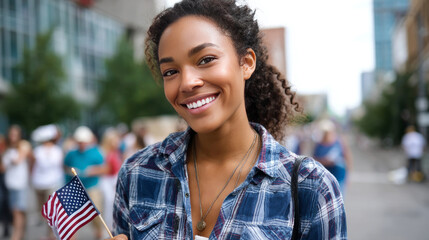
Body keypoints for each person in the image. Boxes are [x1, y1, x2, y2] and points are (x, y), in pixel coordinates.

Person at [110, 1, 346, 239]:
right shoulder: (137, 173)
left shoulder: (311, 187)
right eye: (171, 72)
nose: (187, 83)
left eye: (205, 59)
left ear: (246, 63)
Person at [63, 126, 104, 240]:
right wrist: (71, 171)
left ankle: (98, 231)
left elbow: (103, 168)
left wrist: (91, 171)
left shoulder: (95, 152)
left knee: (96, 211)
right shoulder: (71, 153)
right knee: (71, 215)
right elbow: (65, 166)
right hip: (75, 187)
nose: (81, 144)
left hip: (92, 186)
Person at [30, 124, 64, 239]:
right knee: (47, 212)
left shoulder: (42, 151)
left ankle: (51, 235)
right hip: (43, 183)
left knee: (49, 212)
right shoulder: (55, 151)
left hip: (48, 184)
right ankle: (50, 234)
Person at [2, 125, 31, 240]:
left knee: (17, 211)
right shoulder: (7, 149)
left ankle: (16, 236)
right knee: (18, 211)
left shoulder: (23, 146)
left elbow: (19, 160)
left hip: (20, 184)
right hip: (11, 184)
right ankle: (21, 234)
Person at [313, 119, 352, 194]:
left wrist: (348, 176)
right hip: (324, 176)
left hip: (339, 175)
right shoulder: (319, 144)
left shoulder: (340, 141)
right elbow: (314, 160)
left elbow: (347, 158)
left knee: (339, 196)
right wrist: (325, 161)